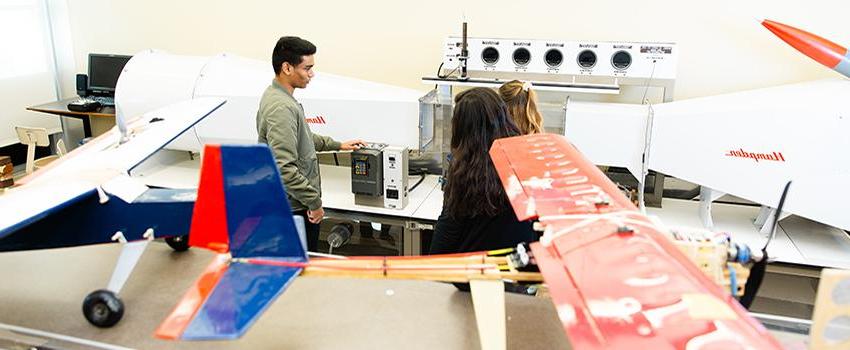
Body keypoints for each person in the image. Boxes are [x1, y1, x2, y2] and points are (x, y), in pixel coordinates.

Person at [257, 36, 365, 251]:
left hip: (292, 204)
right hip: (294, 208)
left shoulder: (280, 98)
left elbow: (303, 137)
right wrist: (314, 203)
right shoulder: (282, 109)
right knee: (300, 274)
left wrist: (338, 145)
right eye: (307, 68)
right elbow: (284, 169)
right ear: (287, 68)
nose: (311, 74)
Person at [429, 87, 538, 254]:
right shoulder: (528, 160)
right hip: (515, 268)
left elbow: (445, 237)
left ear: (462, 129)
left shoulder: (463, 173)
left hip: (475, 272)